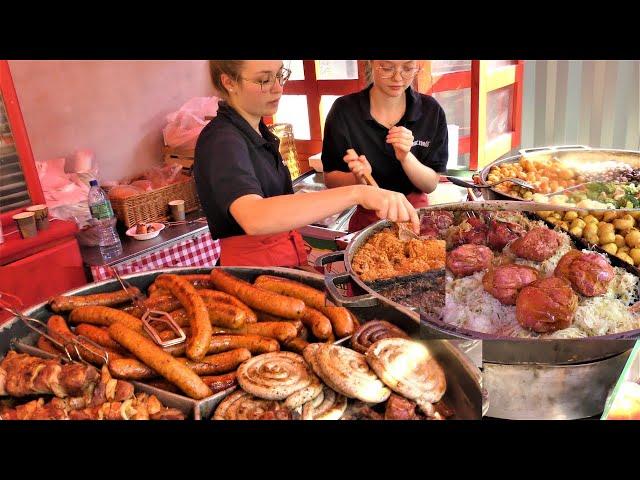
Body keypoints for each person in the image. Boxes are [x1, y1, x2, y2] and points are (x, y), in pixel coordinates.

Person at [194, 60, 419, 267]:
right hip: (251, 274)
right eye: (264, 80)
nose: (278, 88)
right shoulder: (222, 140)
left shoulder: (257, 133)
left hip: (282, 263)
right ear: (229, 82)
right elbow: (253, 216)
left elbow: (279, 205)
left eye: (280, 75)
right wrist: (357, 193)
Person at [322, 60, 449, 232]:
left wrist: (406, 157)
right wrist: (358, 179)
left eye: (408, 68)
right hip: (368, 217)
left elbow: (430, 184)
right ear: (370, 63)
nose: (397, 77)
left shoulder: (431, 111)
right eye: (387, 67)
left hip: (416, 216)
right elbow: (330, 178)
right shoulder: (344, 111)